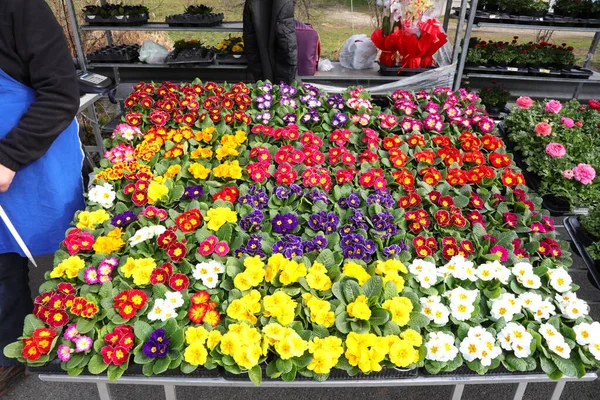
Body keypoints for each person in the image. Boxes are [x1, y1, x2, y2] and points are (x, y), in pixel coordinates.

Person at [0, 0, 84, 394]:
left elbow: (61, 92)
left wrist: (9, 158)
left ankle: (85, 329)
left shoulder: (19, 7)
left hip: (31, 154)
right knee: (1, 263)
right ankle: (11, 351)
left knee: (71, 248)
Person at [243, 0, 298, 84]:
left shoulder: (252, 3)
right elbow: (287, 44)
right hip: (282, 79)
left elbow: (250, 44)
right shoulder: (284, 3)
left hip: (263, 74)